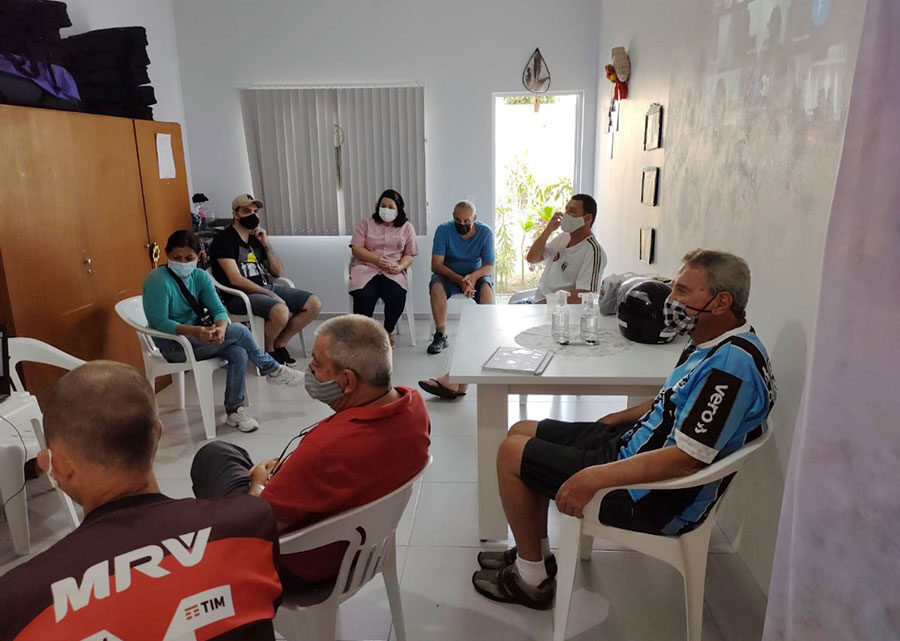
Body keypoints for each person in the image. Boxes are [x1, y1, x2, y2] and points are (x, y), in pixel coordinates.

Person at [471, 249, 777, 609]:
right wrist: (611, 420)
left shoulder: (731, 368)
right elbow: (671, 398)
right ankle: (537, 554)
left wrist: (594, 477)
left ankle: (530, 580)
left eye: (682, 290)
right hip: (632, 448)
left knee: (511, 454)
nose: (671, 299)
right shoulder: (713, 341)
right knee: (522, 429)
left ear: (721, 301)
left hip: (653, 495)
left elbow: (686, 460)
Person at [0, 361, 283, 640]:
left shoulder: (18, 602)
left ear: (54, 464)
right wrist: (256, 485)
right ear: (158, 433)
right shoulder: (250, 524)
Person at [190, 315, 431, 585]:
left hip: (307, 564)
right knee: (232, 456)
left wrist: (259, 483)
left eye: (317, 364)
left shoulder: (326, 448)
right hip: (366, 544)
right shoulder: (414, 405)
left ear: (347, 381)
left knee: (213, 456)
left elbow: (258, 525)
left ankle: (224, 573)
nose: (311, 371)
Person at [143, 230, 303, 433]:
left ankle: (234, 411)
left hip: (201, 338)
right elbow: (159, 322)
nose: (183, 263)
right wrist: (194, 331)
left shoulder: (200, 276)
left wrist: (220, 328)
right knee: (239, 331)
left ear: (199, 256)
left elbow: (218, 310)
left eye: (188, 258)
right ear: (166, 255)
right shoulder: (158, 279)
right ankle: (271, 368)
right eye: (176, 258)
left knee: (238, 351)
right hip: (175, 345)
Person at [209, 194, 322, 365]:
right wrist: (268, 292)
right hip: (240, 296)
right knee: (281, 311)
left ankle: (280, 343)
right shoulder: (224, 240)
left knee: (314, 303)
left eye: (255, 211)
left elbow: (277, 271)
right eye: (247, 211)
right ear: (235, 214)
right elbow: (235, 279)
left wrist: (266, 245)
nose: (253, 215)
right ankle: (267, 350)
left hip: (265, 286)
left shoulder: (255, 239)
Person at [348, 189, 418, 347]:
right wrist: (377, 259)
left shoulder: (407, 227)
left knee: (397, 295)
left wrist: (400, 266)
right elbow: (356, 248)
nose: (386, 210)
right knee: (364, 295)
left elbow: (410, 254)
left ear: (399, 209)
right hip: (366, 268)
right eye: (383, 205)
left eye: (391, 207)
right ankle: (365, 333)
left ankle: (387, 331)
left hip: (392, 271)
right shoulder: (365, 224)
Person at [427, 200, 495, 354]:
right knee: (436, 285)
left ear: (474, 218)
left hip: (475, 277)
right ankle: (440, 335)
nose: (462, 224)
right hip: (449, 276)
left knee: (486, 288)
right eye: (458, 220)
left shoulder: (485, 233)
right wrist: (460, 280)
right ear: (453, 216)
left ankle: (490, 332)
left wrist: (472, 278)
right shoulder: (443, 230)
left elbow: (489, 265)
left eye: (466, 221)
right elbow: (436, 265)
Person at [520, 194, 606, 304]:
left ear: (587, 218)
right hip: (536, 300)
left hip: (555, 310)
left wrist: (545, 303)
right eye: (566, 209)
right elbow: (532, 258)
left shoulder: (593, 252)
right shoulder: (564, 237)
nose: (566, 214)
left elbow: (583, 296)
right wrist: (548, 230)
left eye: (572, 211)